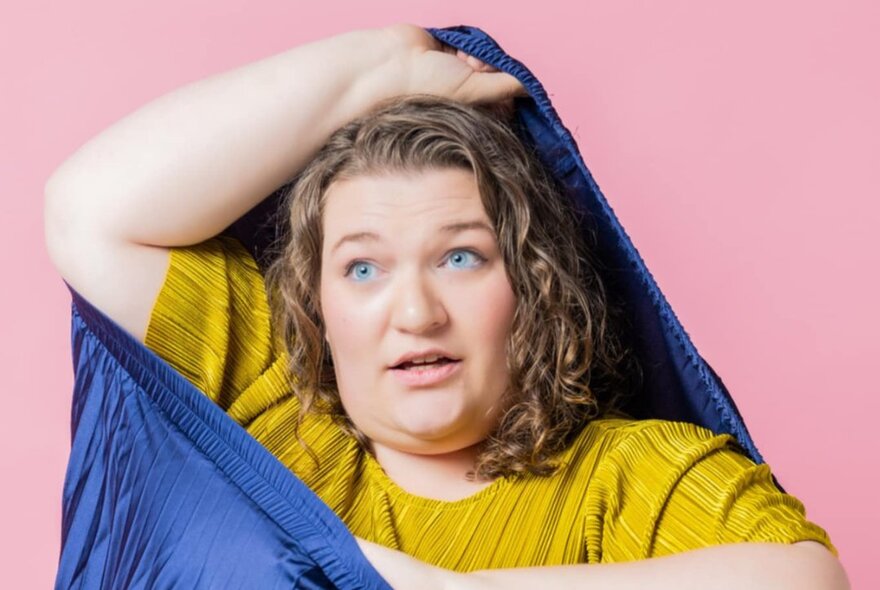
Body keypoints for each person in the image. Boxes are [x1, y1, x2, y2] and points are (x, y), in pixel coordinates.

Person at [44, 23, 849, 589]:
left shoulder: (632, 477)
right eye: (362, 270)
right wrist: (385, 65)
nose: (416, 312)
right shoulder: (276, 425)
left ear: (534, 288)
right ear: (315, 306)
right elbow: (93, 212)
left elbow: (806, 581)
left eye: (460, 257)